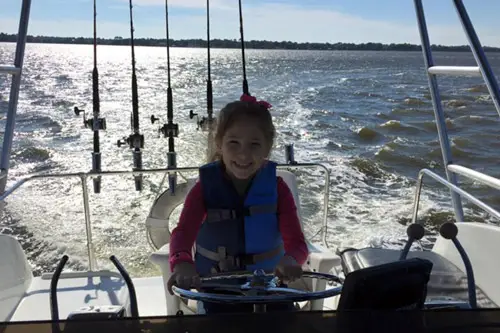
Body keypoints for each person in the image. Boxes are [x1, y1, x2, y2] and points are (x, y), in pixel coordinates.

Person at [167, 93, 309, 314]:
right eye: (234, 143)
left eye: (254, 144)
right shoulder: (202, 190)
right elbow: (182, 234)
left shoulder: (279, 189)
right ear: (219, 144)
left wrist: (291, 260)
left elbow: (298, 244)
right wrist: (182, 263)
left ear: (267, 149)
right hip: (218, 293)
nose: (243, 154)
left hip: (269, 289)